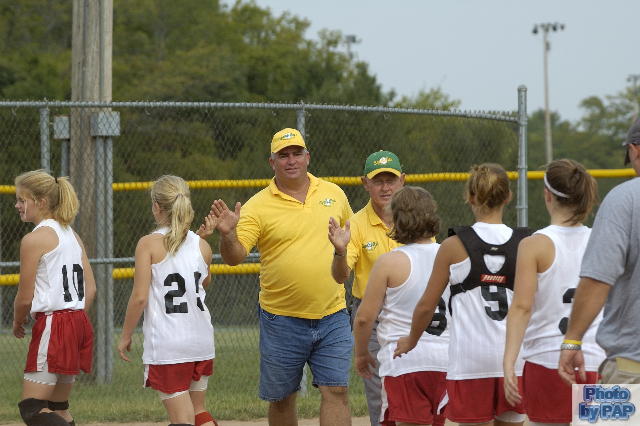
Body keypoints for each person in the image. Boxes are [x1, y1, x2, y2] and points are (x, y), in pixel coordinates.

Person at [209, 128, 353, 426]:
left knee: (337, 391)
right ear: (272, 162)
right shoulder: (257, 205)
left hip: (333, 314)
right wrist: (228, 235)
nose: (291, 160)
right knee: (283, 398)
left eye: (297, 153)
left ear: (308, 157)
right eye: (283, 155)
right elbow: (234, 257)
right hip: (281, 319)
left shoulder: (334, 193)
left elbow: (350, 239)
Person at [395, 163, 530, 426]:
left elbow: (426, 306)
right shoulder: (525, 244)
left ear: (470, 197)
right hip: (514, 359)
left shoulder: (454, 245)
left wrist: (412, 339)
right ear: (508, 197)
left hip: (471, 362)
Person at [503, 159, 605, 425]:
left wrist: (509, 362)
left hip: (547, 360)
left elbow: (522, 307)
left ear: (547, 195)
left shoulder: (534, 244)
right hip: (599, 360)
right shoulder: (602, 239)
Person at [117, 175, 217, 426]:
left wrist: (125, 335)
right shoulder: (202, 245)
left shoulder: (148, 244)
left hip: (170, 343)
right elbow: (204, 283)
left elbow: (139, 297)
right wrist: (201, 239)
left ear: (156, 207)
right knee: (198, 413)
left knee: (182, 419)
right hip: (201, 340)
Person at [353, 186, 448, 426]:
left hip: (404, 361)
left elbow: (364, 318)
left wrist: (361, 353)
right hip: (445, 360)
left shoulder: (390, 262)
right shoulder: (449, 256)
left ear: (397, 219)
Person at [559, 118, 640, 385]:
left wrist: (572, 341)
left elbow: (597, 279)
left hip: (630, 367)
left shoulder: (624, 198)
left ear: (635, 149)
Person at [12, 170, 96, 426]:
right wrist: (72, 320)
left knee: (33, 409)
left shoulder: (34, 239)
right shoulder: (72, 235)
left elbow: (24, 297)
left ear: (41, 202)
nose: (17, 205)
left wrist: (17, 321)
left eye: (22, 200)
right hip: (78, 320)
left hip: (54, 323)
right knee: (58, 408)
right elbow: (91, 289)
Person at [329, 150, 405, 426]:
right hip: (373, 317)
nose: (385, 187)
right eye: (378, 181)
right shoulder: (357, 224)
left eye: (391, 180)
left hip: (409, 313)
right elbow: (341, 276)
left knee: (413, 387)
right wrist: (339, 252)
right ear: (365, 183)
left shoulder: (413, 219)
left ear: (402, 180)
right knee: (380, 395)